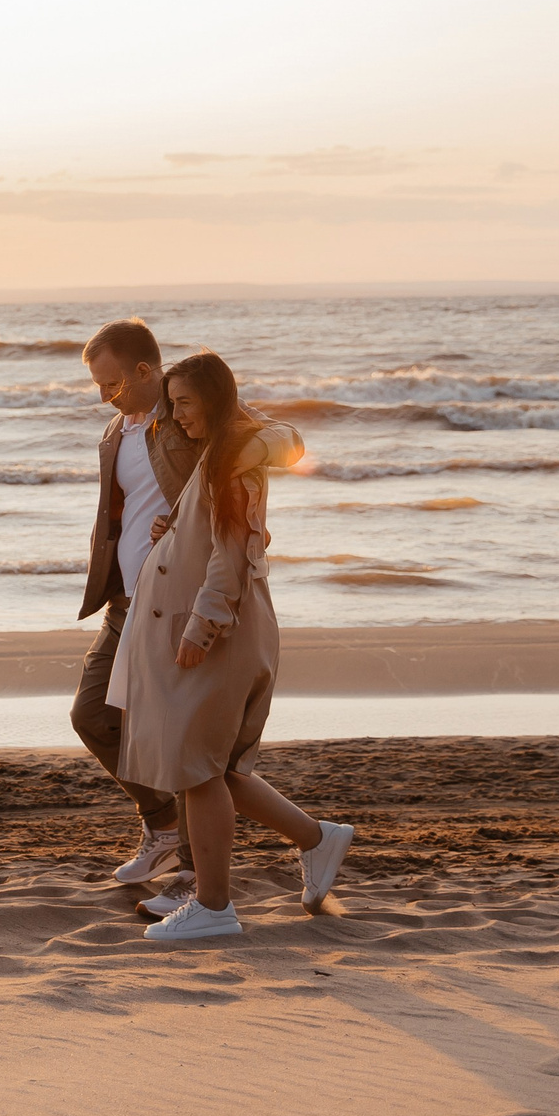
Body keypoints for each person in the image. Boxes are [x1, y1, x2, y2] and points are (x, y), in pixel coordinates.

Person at [113, 351, 353, 942]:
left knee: (198, 769)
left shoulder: (233, 454)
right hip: (213, 628)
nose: (176, 416)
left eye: (185, 404)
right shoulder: (221, 451)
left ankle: (215, 906)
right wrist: (176, 528)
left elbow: (233, 555)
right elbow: (215, 532)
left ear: (215, 401)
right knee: (217, 768)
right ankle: (318, 839)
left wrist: (201, 627)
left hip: (220, 633)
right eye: (171, 405)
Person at [74, 320, 303, 887]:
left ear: (145, 371)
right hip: (127, 600)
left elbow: (288, 441)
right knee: (95, 716)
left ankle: (201, 879)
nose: (104, 397)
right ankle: (165, 830)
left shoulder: (189, 414)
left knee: (183, 740)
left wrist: (238, 469)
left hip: (181, 601)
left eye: (113, 385)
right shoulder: (114, 433)